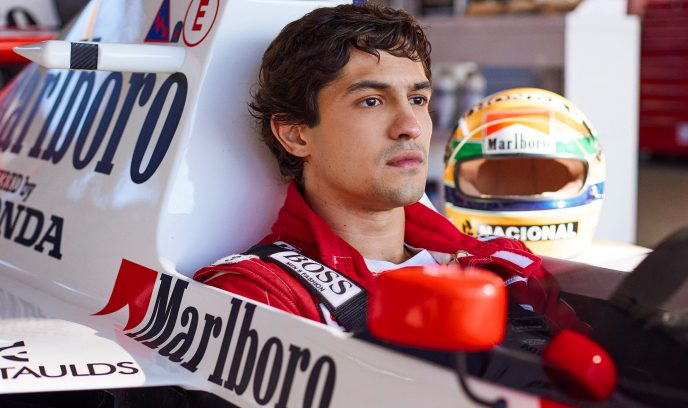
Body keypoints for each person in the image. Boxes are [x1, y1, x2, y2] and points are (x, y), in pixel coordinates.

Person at [193, 3, 586, 334]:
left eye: (417, 99)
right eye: (372, 101)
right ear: (295, 134)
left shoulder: (504, 263)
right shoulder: (258, 294)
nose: (410, 126)